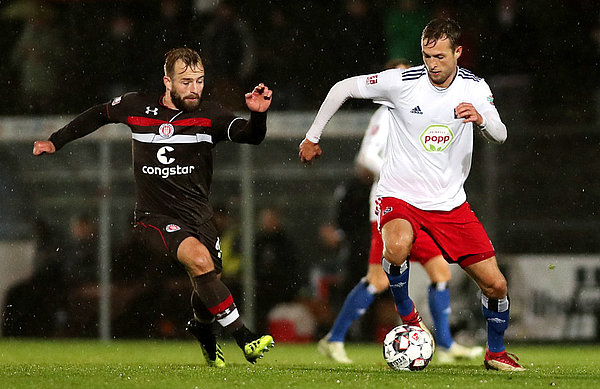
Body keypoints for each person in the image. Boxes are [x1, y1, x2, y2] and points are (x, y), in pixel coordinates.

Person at [299, 19, 524, 372]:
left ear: (458, 52)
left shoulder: (476, 88)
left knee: (496, 285)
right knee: (397, 247)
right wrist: (313, 137)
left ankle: (495, 352)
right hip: (399, 195)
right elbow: (342, 88)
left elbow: (501, 134)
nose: (431, 63)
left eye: (439, 56)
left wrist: (481, 119)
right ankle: (410, 318)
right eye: (426, 55)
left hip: (450, 204)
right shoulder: (402, 83)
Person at [33, 47, 274, 367]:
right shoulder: (137, 106)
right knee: (200, 261)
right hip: (155, 216)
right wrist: (55, 140)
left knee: (209, 277)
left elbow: (250, 136)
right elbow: (98, 114)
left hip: (199, 217)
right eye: (186, 81)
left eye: (200, 81)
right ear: (167, 81)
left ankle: (203, 330)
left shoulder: (210, 115)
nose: (195, 88)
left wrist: (258, 114)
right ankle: (245, 339)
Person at [318, 58, 484, 364]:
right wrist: (405, 171)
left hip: (420, 206)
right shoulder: (386, 113)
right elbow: (366, 158)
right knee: (378, 280)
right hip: (391, 206)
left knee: (441, 272)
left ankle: (446, 344)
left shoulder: (419, 109)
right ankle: (334, 338)